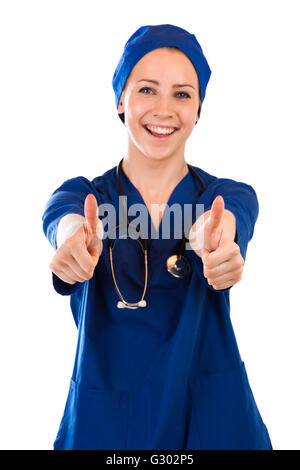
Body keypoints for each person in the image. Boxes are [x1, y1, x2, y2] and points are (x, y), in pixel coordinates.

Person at [42, 24, 272, 450]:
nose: (164, 109)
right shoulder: (84, 196)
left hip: (209, 421)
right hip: (107, 420)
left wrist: (219, 240)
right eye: (147, 90)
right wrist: (72, 243)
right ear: (120, 100)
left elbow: (230, 220)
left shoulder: (223, 197)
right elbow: (64, 219)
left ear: (199, 107)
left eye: (182, 94)